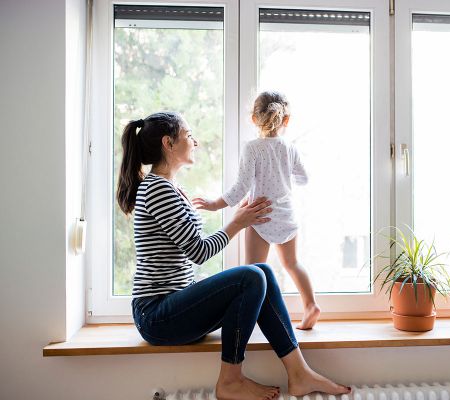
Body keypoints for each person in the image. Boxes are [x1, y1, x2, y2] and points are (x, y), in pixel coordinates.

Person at [117, 111, 350, 400]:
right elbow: (199, 251)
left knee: (262, 273)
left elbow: (187, 250)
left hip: (172, 306)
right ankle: (230, 380)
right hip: (157, 316)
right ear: (169, 143)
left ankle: (299, 373)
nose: (195, 141)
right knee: (251, 275)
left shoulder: (170, 188)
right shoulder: (158, 190)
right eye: (189, 135)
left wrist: (238, 218)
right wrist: (238, 222)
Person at [195, 91, 320, 330]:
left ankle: (252, 318)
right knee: (292, 264)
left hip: (259, 215)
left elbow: (241, 187)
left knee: (252, 272)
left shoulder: (252, 148)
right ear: (286, 120)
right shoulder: (289, 148)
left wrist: (214, 204)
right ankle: (311, 305)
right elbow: (304, 178)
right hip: (287, 215)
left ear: (254, 119)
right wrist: (284, 178)